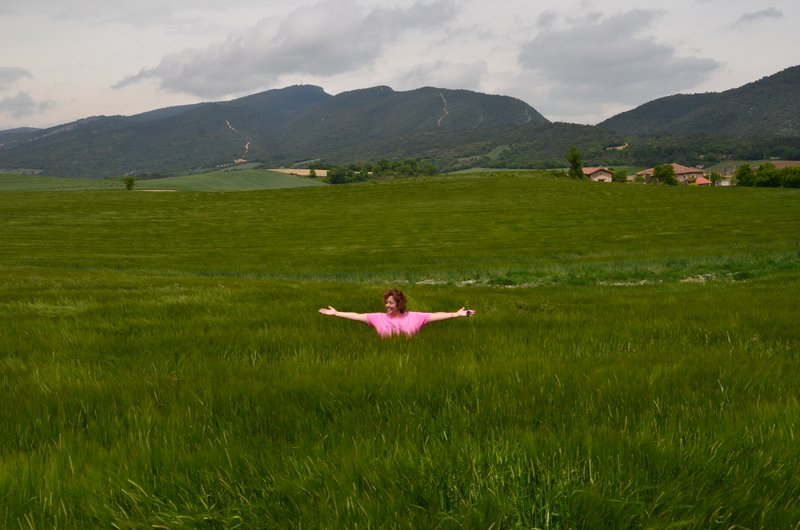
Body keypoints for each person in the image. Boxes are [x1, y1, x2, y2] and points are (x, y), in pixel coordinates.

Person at [319, 288, 475, 337]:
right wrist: (337, 313)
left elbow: (435, 315)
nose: (387, 305)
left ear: (399, 304)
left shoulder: (414, 317)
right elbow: (357, 316)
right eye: (386, 302)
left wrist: (455, 314)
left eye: (391, 303)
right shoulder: (377, 318)